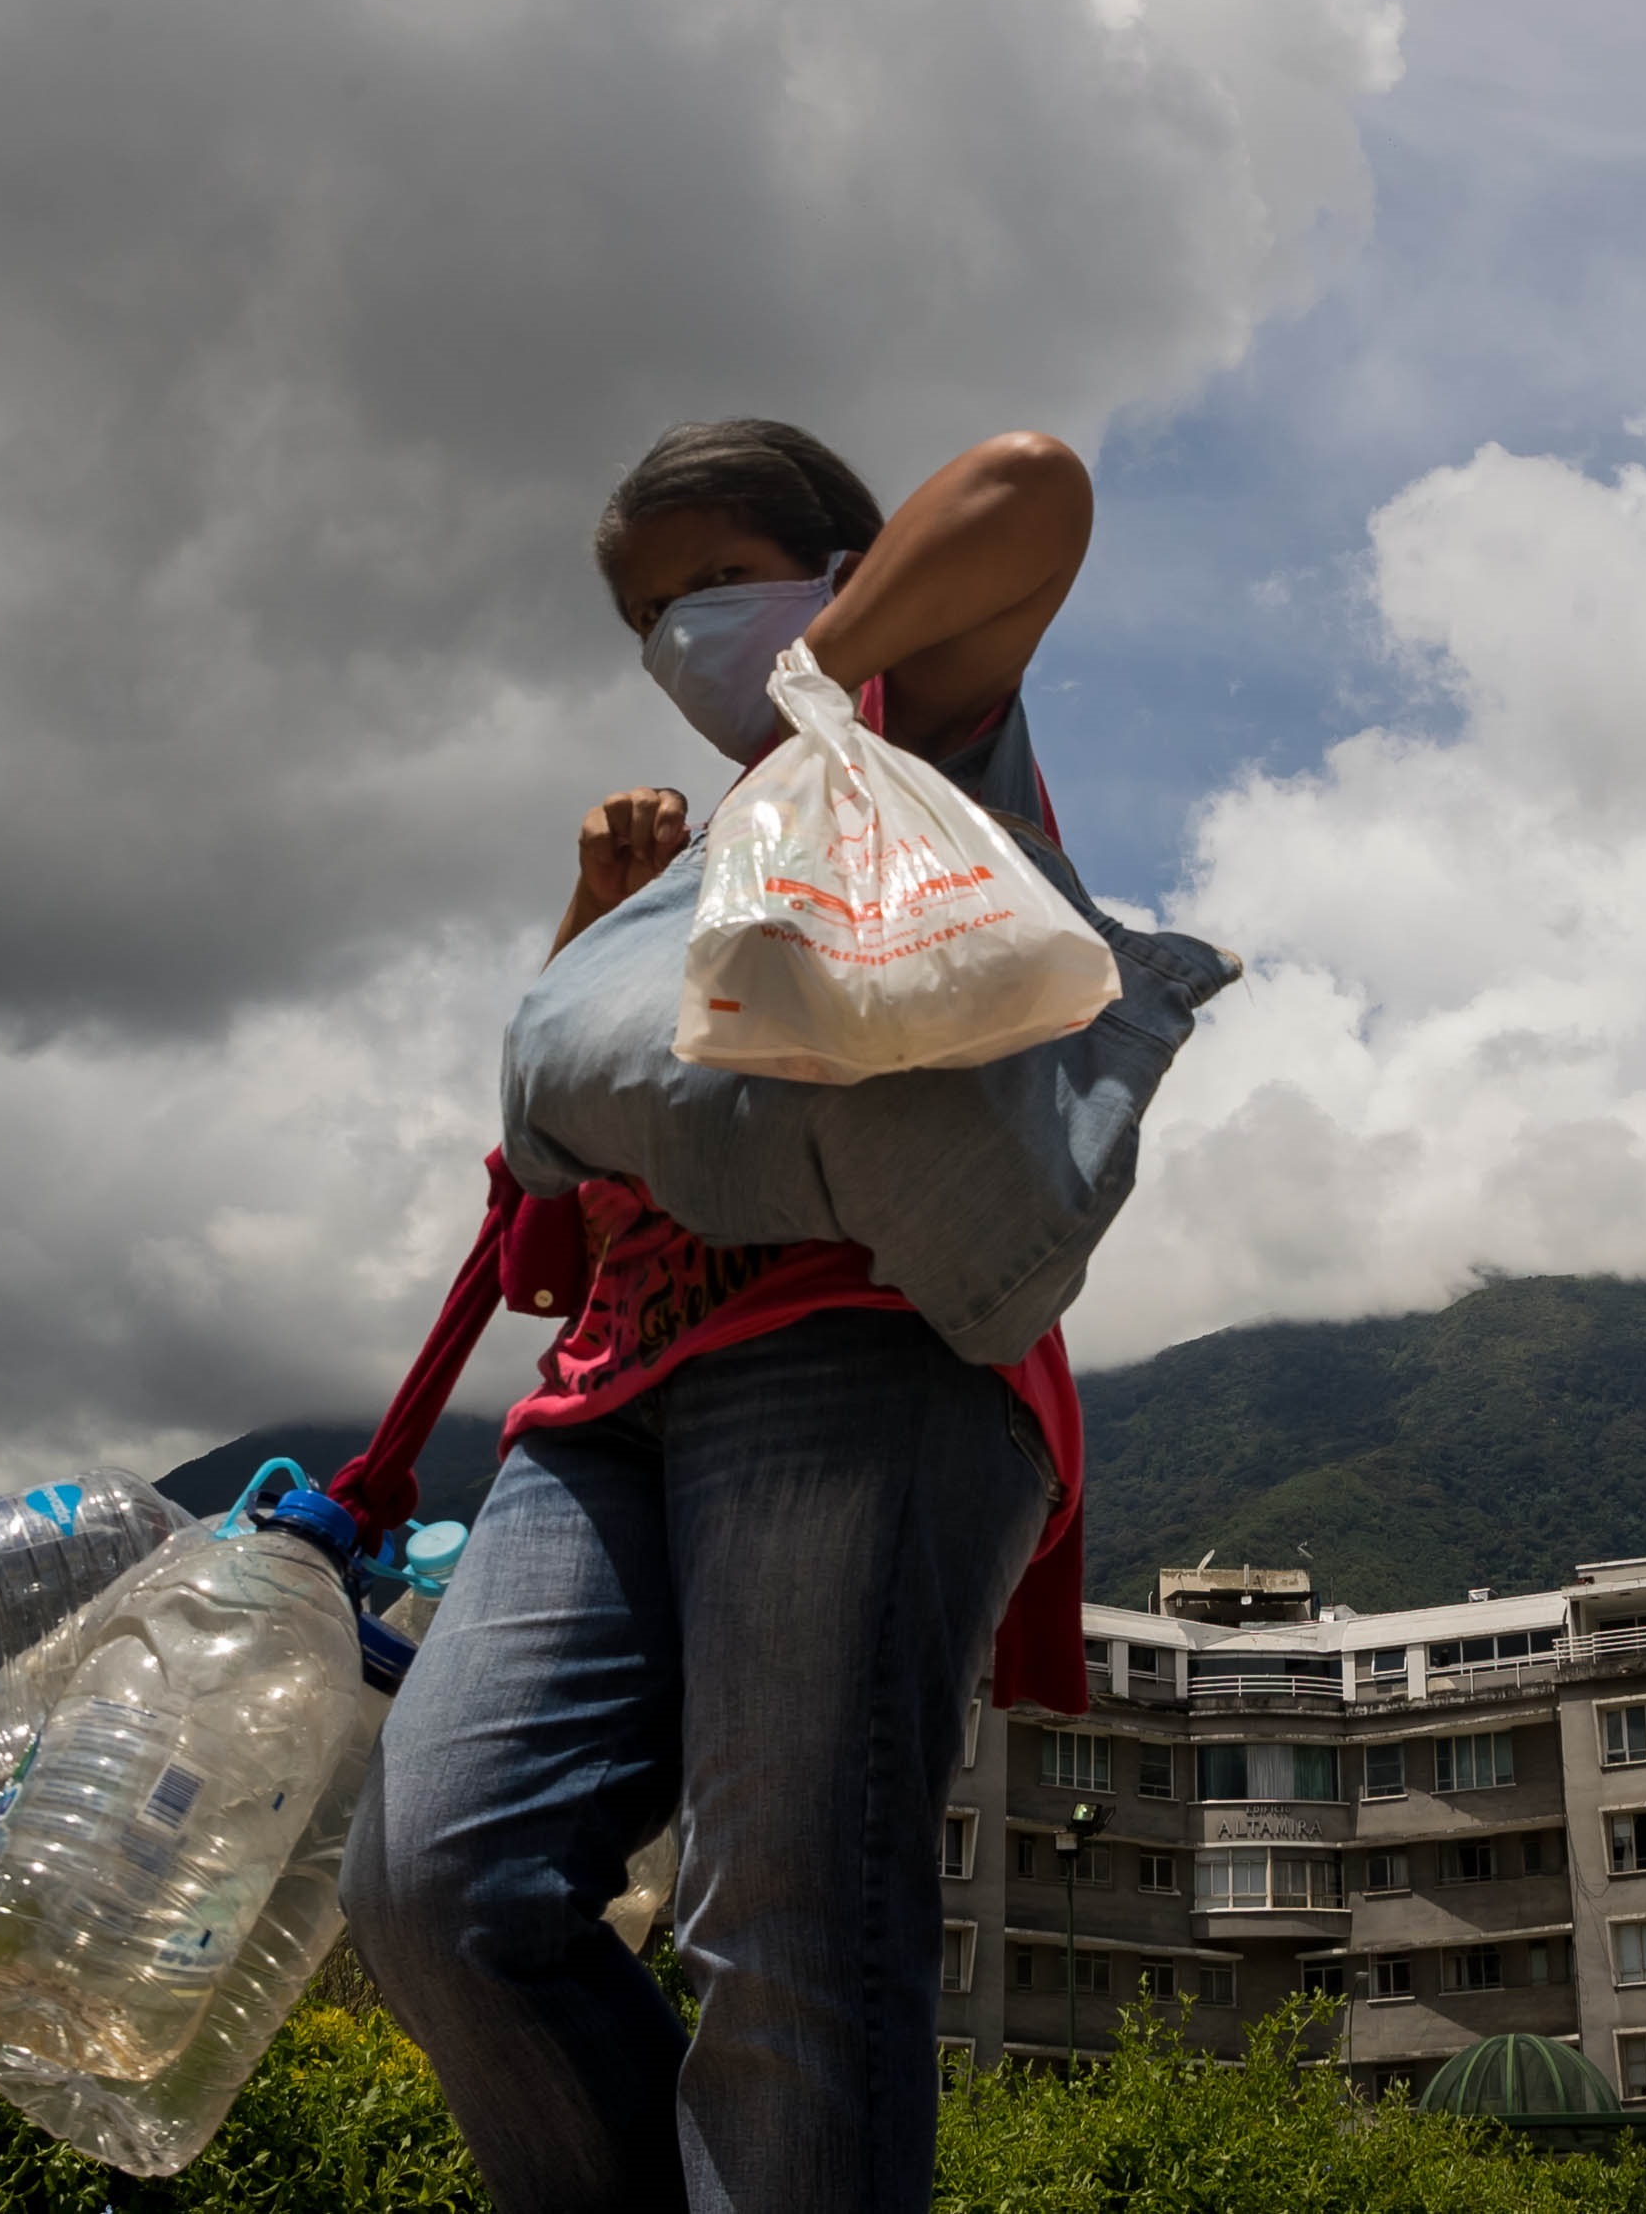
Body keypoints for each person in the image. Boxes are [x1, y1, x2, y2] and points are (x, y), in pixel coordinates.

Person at [348, 417, 1146, 2214]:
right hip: (597, 1405)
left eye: (712, 579)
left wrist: (829, 649)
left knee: (784, 1916)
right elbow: (541, 1252)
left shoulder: (913, 742)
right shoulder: (683, 885)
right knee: (434, 1880)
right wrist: (583, 918)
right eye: (645, 614)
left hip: (854, 1356)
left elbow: (1037, 486)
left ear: (835, 563)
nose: (675, 638)